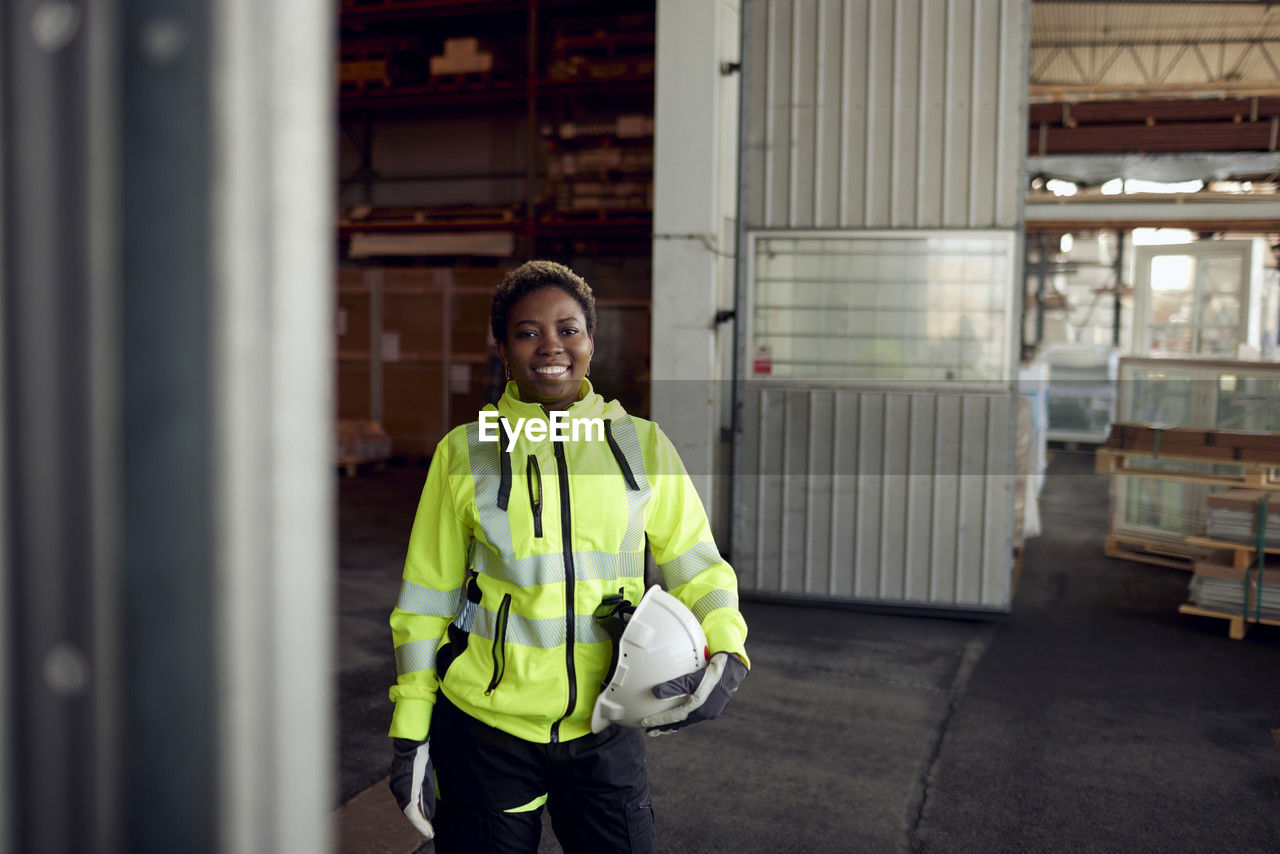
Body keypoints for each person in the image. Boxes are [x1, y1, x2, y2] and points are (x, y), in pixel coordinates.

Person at [386, 260, 750, 853]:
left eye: (568, 329)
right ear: (502, 347)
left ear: (590, 341)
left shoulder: (642, 445)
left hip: (608, 722)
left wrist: (727, 643)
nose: (550, 345)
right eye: (528, 332)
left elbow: (696, 565)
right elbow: (425, 601)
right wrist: (410, 731)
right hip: (486, 730)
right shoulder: (466, 452)